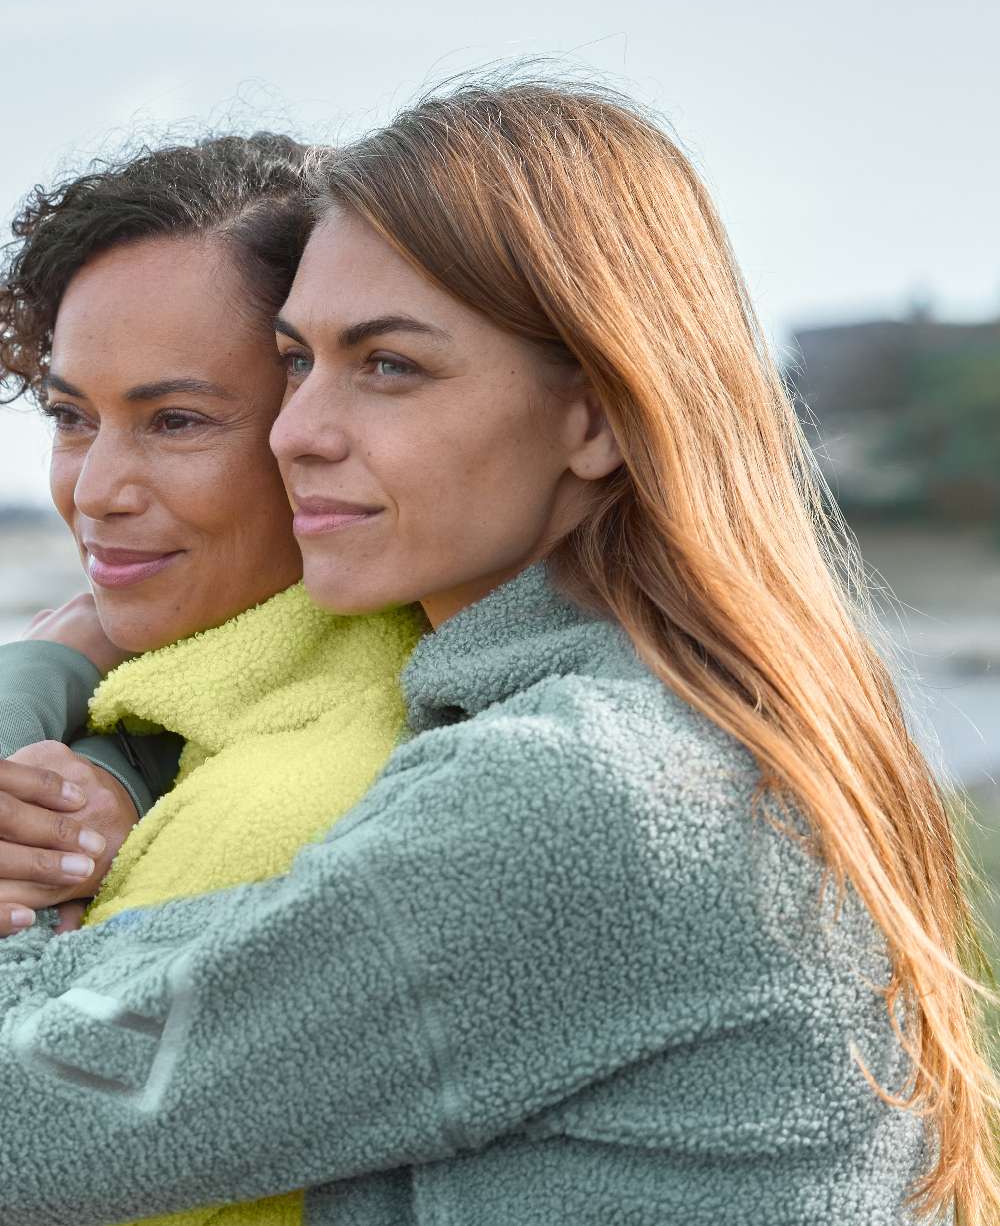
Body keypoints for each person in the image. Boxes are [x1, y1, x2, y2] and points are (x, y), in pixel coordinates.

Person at [0, 76, 996, 1226]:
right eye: (297, 361)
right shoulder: (647, 719)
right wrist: (117, 758)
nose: (298, 430)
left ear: (597, 414)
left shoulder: (585, 790)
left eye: (388, 365)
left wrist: (32, 694)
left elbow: (31, 1118)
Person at [0, 134, 424, 1226]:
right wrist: (110, 747)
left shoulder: (280, 810)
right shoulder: (190, 724)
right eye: (70, 416)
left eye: (177, 421)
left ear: (315, 423)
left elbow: (45, 1141)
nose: (96, 489)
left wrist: (40, 672)